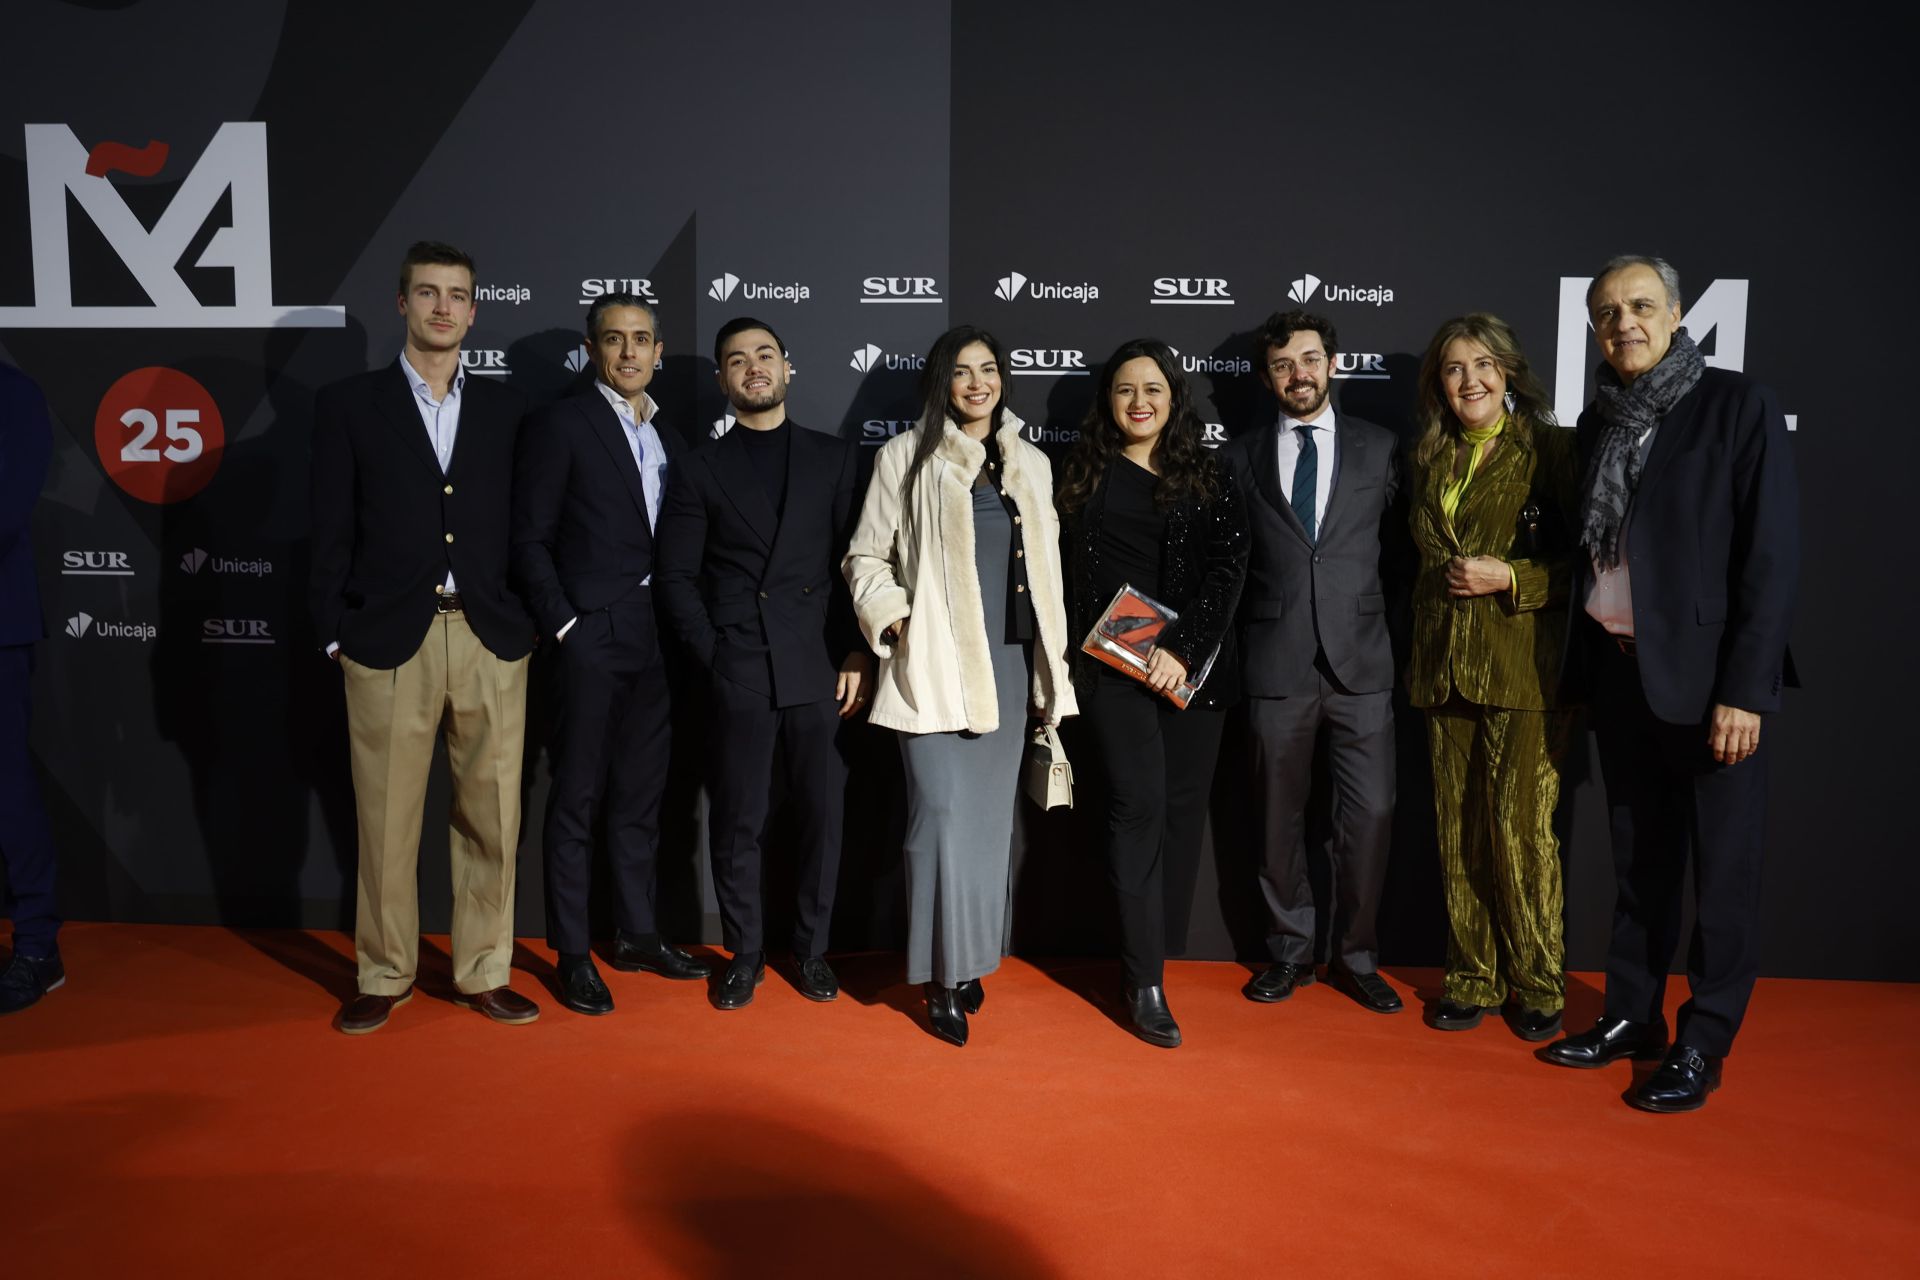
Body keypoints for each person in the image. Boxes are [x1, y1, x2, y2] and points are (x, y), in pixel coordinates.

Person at [1544, 255, 1798, 1112]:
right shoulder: (1596, 421)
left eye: (1642, 307)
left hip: (1710, 687)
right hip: (1621, 677)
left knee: (1721, 875)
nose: (1625, 324)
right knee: (1638, 865)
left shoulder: (1736, 405)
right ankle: (1631, 1016)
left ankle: (1704, 1038)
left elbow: (1769, 558)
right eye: (1608, 312)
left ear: (1679, 313)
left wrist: (1747, 690)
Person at [310, 240, 540, 1033]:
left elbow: (526, 528)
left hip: (489, 638)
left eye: (457, 295)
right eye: (428, 292)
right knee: (386, 820)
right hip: (386, 641)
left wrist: (522, 624)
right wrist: (336, 635)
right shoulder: (348, 405)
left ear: (474, 312)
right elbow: (328, 531)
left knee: (492, 818)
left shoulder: (510, 411)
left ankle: (484, 972)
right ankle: (384, 972)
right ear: (402, 304)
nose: (443, 306)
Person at [842, 325, 1077, 1046]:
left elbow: (1046, 579)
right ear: (942, 382)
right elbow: (865, 556)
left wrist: (1048, 673)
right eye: (962, 371)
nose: (977, 382)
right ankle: (941, 978)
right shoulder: (904, 457)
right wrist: (894, 624)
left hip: (1010, 671)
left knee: (985, 832)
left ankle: (971, 962)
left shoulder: (1031, 463)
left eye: (989, 369)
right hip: (933, 669)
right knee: (937, 824)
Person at [653, 317, 872, 1010]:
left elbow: (855, 568)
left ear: (787, 368)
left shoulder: (835, 458)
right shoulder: (699, 467)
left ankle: (809, 952)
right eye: (737, 360)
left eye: (765, 355)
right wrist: (717, 656)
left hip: (820, 667)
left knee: (822, 819)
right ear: (722, 379)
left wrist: (857, 650)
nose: (753, 367)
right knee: (737, 822)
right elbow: (676, 579)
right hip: (741, 667)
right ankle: (745, 953)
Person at [511, 292, 710, 1017]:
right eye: (615, 339)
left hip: (658, 639)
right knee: (577, 797)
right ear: (592, 349)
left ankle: (635, 934)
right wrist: (565, 626)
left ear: (659, 351)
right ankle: (570, 954)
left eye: (642, 340)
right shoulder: (560, 424)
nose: (630, 352)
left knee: (640, 797)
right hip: (591, 635)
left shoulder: (671, 438)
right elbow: (528, 539)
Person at [1057, 338, 1249, 1048]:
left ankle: (1156, 959)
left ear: (1174, 400)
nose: (1139, 402)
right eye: (1125, 390)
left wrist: (1182, 649)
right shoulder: (1081, 473)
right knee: (1134, 808)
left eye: (1153, 390)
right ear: (1108, 402)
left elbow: (1229, 568)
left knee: (1176, 816)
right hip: (1112, 672)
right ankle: (1142, 982)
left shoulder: (1210, 474)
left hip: (1192, 677)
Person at [1220, 309, 1404, 1015]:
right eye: (1282, 364)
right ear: (1267, 377)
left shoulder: (1382, 448)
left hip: (1364, 665)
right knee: (1275, 819)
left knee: (1374, 816)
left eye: (1309, 359)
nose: (1298, 374)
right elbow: (1227, 566)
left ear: (1333, 364)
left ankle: (1356, 957)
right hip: (1275, 662)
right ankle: (1289, 952)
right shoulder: (1238, 458)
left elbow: (1404, 555)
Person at [1406, 315, 1580, 1040]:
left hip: (1522, 671)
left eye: (1483, 364)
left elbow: (1592, 563)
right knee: (1459, 833)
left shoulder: (1553, 449)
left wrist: (1512, 573)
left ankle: (1539, 982)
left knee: (1521, 835)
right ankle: (1472, 975)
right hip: (1442, 670)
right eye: (1453, 368)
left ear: (1509, 371)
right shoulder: (1430, 457)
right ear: (1439, 384)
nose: (1469, 379)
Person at [0, 362, 61, 1015]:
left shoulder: (14, 394)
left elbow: (8, 509)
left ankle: (39, 948)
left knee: (6, 792)